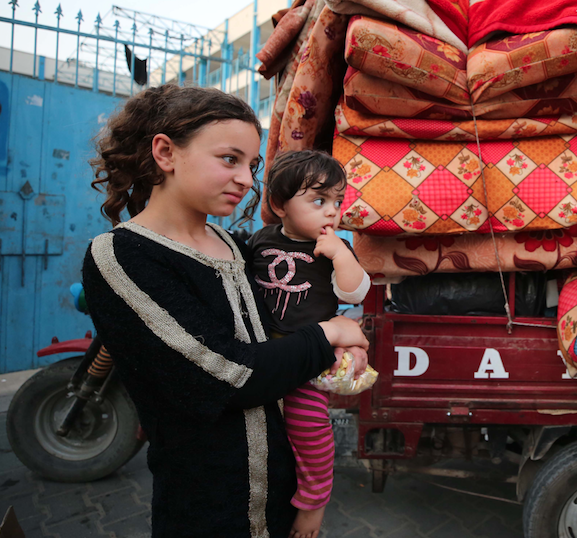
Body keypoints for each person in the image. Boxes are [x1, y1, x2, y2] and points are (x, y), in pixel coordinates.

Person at [82, 84, 369, 538]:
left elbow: (292, 319)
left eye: (252, 166)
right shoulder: (124, 256)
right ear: (165, 152)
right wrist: (329, 334)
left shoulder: (236, 247)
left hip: (281, 488)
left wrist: (348, 344)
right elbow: (230, 376)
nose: (246, 180)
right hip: (210, 506)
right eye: (229, 159)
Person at [248, 150, 371, 538]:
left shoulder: (336, 249)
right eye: (318, 201)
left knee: (311, 433)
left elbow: (356, 292)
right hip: (263, 353)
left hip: (308, 361)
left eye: (337, 201)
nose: (331, 212)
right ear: (279, 205)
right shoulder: (260, 240)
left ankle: (313, 504)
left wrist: (339, 255)